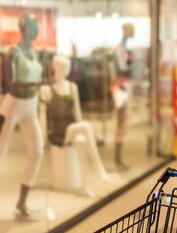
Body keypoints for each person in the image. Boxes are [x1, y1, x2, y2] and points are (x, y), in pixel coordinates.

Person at [40, 55, 110, 197]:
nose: (66, 70)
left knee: (81, 139)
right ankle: (98, 168)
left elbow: (77, 112)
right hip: (58, 132)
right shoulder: (47, 89)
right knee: (85, 126)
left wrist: (83, 131)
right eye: (62, 66)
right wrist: (42, 140)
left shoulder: (72, 87)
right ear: (55, 68)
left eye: (67, 66)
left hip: (72, 129)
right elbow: (42, 115)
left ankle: (85, 186)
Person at [0, 14, 44, 216]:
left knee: (37, 152)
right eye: (34, 26)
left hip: (30, 107)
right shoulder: (13, 53)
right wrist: (36, 86)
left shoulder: (34, 53)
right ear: (24, 28)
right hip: (12, 107)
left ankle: (21, 201)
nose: (36, 30)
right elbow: (11, 84)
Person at [110, 23, 134, 170]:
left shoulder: (124, 48)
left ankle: (118, 158)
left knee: (123, 122)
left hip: (125, 86)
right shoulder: (120, 49)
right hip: (121, 86)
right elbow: (121, 68)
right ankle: (117, 159)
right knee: (121, 121)